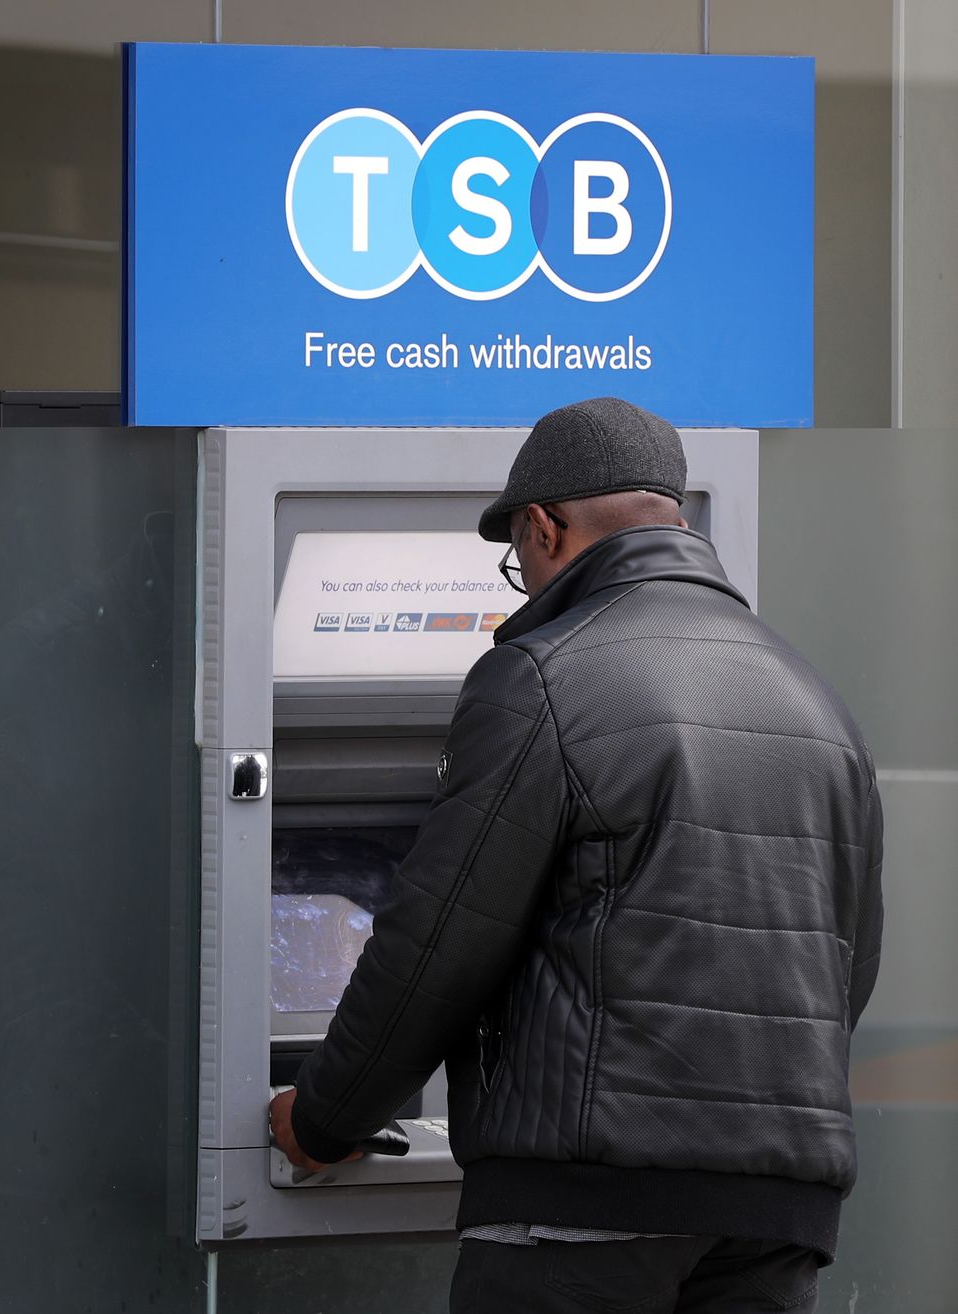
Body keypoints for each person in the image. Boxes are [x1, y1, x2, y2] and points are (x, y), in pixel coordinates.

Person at [270, 396, 883, 1313]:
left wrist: (324, 1116)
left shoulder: (545, 676)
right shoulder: (811, 697)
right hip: (775, 1209)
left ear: (544, 526)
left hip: (584, 1200)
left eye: (518, 559)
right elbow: (848, 965)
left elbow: (438, 943)